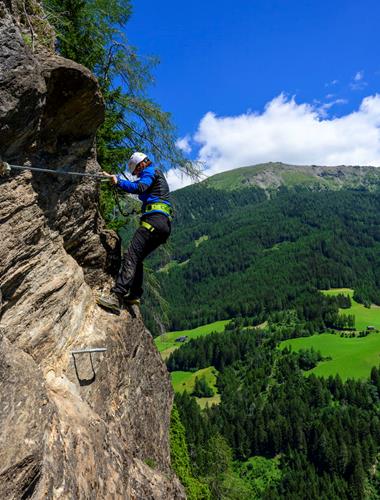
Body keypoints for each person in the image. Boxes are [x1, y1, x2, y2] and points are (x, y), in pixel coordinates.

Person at [97, 152, 172, 313]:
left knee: (131, 255)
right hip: (163, 225)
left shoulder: (150, 171)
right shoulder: (156, 177)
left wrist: (118, 182)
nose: (137, 175)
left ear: (141, 164)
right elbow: (141, 188)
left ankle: (116, 296)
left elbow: (139, 187)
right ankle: (135, 295)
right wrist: (114, 179)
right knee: (137, 259)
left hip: (152, 221)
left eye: (137, 172)